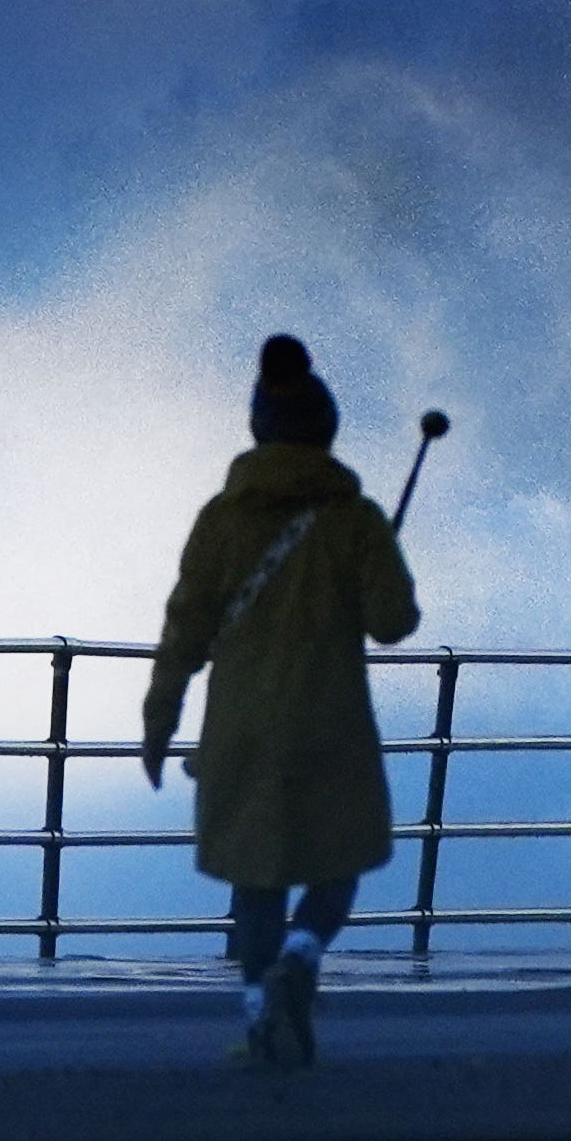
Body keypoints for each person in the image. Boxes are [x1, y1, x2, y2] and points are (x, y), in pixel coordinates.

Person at [142, 332, 422, 1070]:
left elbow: (185, 628)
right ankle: (303, 954)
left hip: (241, 729)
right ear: (327, 431)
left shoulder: (223, 518)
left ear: (257, 428)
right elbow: (392, 623)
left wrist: (159, 719)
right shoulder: (354, 519)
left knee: (255, 880)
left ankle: (262, 1017)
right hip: (329, 725)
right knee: (336, 868)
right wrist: (376, 568)